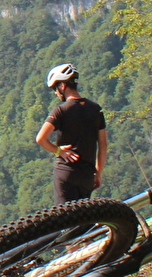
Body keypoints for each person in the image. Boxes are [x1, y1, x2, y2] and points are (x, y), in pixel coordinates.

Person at [34, 63, 107, 205]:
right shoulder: (96, 109)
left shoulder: (61, 110)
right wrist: (98, 173)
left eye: (55, 88)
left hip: (66, 171)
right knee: (85, 218)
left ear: (62, 86)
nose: (56, 92)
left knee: (65, 219)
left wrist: (59, 151)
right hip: (87, 174)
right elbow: (103, 145)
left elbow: (41, 139)